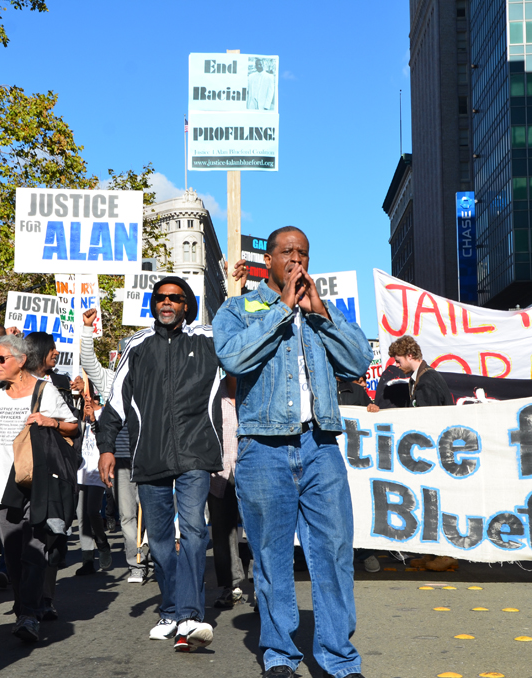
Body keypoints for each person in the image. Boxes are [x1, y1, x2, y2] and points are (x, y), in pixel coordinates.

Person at [213, 226, 371, 678]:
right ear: (269, 261)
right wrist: (282, 309)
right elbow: (232, 358)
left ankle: (339, 659)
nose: (296, 260)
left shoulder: (321, 311)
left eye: (303, 252)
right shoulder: (239, 309)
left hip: (320, 446)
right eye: (287, 252)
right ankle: (280, 654)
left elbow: (359, 361)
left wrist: (319, 312)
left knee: (334, 552)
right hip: (264, 448)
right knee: (271, 556)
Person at [97, 276, 222, 651]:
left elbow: (242, 344)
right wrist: (106, 448)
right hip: (149, 455)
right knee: (161, 541)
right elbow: (116, 401)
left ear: (187, 305)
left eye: (175, 298)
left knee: (195, 530)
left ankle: (189, 615)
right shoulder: (137, 345)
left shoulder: (208, 340)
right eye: (160, 298)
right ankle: (170, 610)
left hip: (195, 452)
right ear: (153, 304)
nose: (166, 303)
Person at [0, 332, 77, 643]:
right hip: (4, 486)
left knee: (33, 550)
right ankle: (25, 607)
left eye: (2, 358)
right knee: (14, 555)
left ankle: (28, 615)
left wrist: (51, 422)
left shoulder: (45, 390)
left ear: (21, 360)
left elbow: (73, 426)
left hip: (38, 483)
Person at [78, 308, 143, 582]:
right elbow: (88, 360)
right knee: (127, 515)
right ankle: (136, 563)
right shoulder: (110, 379)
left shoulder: (151, 378)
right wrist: (87, 329)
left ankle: (152, 556)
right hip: (122, 459)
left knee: (152, 513)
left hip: (150, 456)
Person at [208, 375, 250, 609]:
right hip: (220, 472)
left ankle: (261, 587)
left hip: (251, 469)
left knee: (257, 531)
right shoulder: (213, 393)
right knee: (223, 533)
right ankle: (230, 587)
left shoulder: (255, 389)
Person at [75, 385, 111, 575]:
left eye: (90, 397)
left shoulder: (105, 413)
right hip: (82, 470)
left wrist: (93, 418)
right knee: (81, 515)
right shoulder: (82, 414)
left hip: (97, 470)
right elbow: (77, 436)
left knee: (92, 511)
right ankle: (87, 559)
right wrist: (84, 417)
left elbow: (104, 436)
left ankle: (102, 543)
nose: (88, 400)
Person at [386, 335, 452, 407]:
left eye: (398, 361)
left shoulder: (426, 381)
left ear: (409, 356)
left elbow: (429, 413)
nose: (397, 365)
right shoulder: (422, 377)